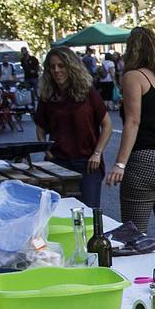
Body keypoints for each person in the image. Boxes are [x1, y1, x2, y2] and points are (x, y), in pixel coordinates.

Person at [104, 26, 155, 247]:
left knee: (134, 234)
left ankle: (140, 280)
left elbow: (133, 121)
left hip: (147, 160)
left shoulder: (134, 77)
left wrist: (120, 164)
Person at [34, 48, 111, 214]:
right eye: (52, 67)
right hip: (58, 162)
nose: (56, 71)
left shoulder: (88, 92)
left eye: (61, 66)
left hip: (87, 163)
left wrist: (97, 153)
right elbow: (40, 127)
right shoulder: (48, 96)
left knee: (90, 215)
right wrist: (45, 148)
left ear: (71, 67)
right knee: (60, 214)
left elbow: (107, 125)